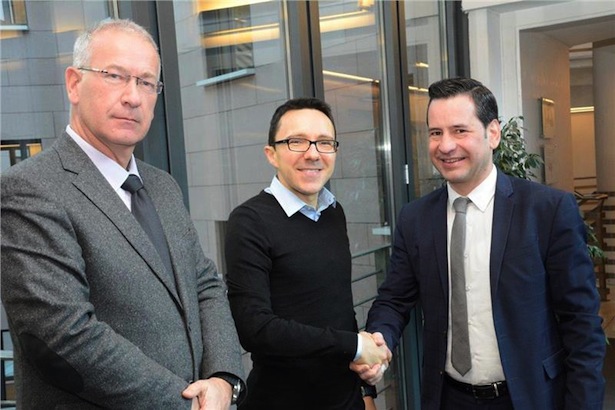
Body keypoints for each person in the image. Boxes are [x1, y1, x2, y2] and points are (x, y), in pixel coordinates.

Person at [0, 18, 245, 410]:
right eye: (115, 76)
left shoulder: (163, 186)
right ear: (74, 83)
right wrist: (188, 405)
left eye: (147, 82)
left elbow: (205, 286)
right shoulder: (30, 189)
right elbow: (64, 337)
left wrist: (223, 378)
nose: (133, 97)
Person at [352, 77, 606, 409]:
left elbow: (581, 323)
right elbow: (394, 299)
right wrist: (379, 341)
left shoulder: (547, 211)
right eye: (435, 133)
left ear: (493, 133)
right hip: (447, 398)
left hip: (529, 397)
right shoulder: (415, 219)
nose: (445, 146)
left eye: (460, 130)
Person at [224, 97, 390, 410]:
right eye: (297, 141)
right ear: (271, 154)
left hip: (346, 400)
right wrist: (354, 346)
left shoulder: (333, 211)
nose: (313, 153)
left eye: (324, 143)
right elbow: (255, 328)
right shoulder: (249, 221)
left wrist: (365, 391)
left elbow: (339, 309)